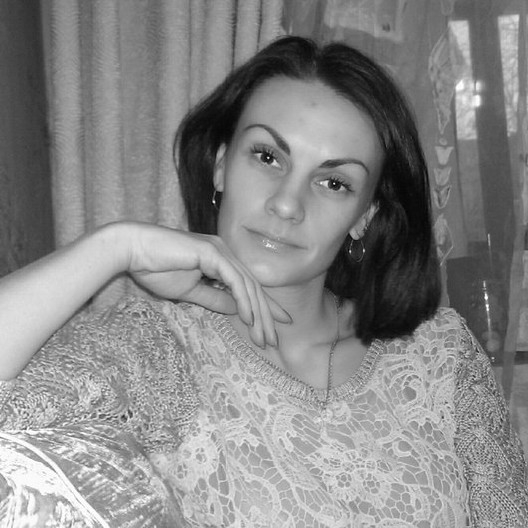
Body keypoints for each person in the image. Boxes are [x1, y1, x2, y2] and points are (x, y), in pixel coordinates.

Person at [0, 36, 526, 527]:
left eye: (333, 182)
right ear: (221, 165)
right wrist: (116, 246)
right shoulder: (156, 351)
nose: (287, 204)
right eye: (268, 156)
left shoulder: (440, 355)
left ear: (365, 216)